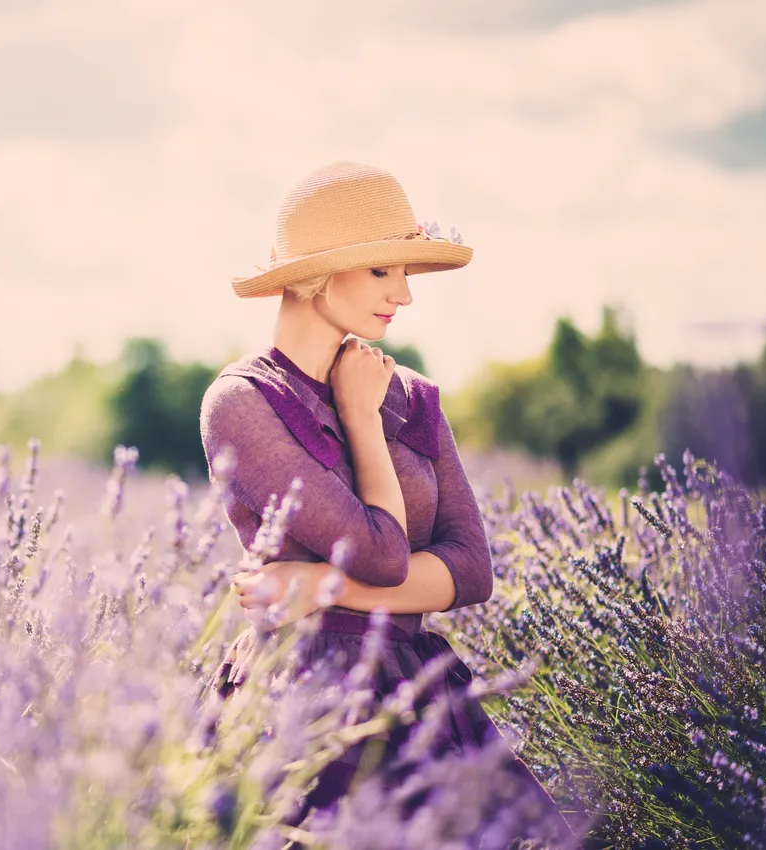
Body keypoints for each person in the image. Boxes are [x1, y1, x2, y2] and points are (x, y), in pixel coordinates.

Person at [198, 161, 575, 842]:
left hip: (418, 692)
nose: (404, 293)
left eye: (407, 271)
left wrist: (317, 584)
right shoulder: (242, 402)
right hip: (305, 699)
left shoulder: (413, 397)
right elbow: (379, 554)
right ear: (316, 273)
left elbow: (470, 571)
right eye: (382, 270)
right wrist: (360, 417)